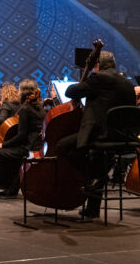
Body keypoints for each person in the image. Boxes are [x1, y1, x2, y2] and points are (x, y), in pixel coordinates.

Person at [56, 50, 135, 218]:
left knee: (63, 146)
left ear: (97, 65)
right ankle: (93, 206)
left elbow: (70, 92)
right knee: (97, 158)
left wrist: (86, 76)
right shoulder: (126, 82)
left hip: (102, 135)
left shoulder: (100, 78)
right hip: (123, 137)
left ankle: (96, 177)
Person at [0, 79, 45, 197]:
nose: (18, 92)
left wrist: (2, 145)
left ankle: (6, 184)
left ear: (24, 93)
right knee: (6, 154)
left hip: (27, 148)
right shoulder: (40, 108)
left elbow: (21, 135)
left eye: (19, 90)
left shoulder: (26, 109)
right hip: (37, 146)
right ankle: (12, 187)